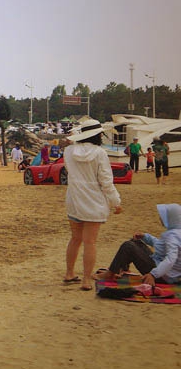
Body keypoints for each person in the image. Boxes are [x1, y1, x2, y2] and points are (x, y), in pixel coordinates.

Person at [61, 118, 123, 290]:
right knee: (90, 242)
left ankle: (69, 273)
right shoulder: (100, 153)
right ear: (98, 135)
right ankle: (86, 280)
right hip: (94, 201)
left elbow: (69, 171)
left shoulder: (68, 151)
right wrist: (116, 202)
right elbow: (106, 182)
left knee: (75, 238)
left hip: (74, 198)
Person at [96, 203, 181, 287]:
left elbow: (170, 259)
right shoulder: (176, 232)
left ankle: (110, 274)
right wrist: (145, 237)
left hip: (163, 276)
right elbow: (162, 247)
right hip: (166, 271)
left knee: (128, 246)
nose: (160, 218)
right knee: (135, 242)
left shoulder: (172, 237)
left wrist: (153, 274)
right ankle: (122, 269)